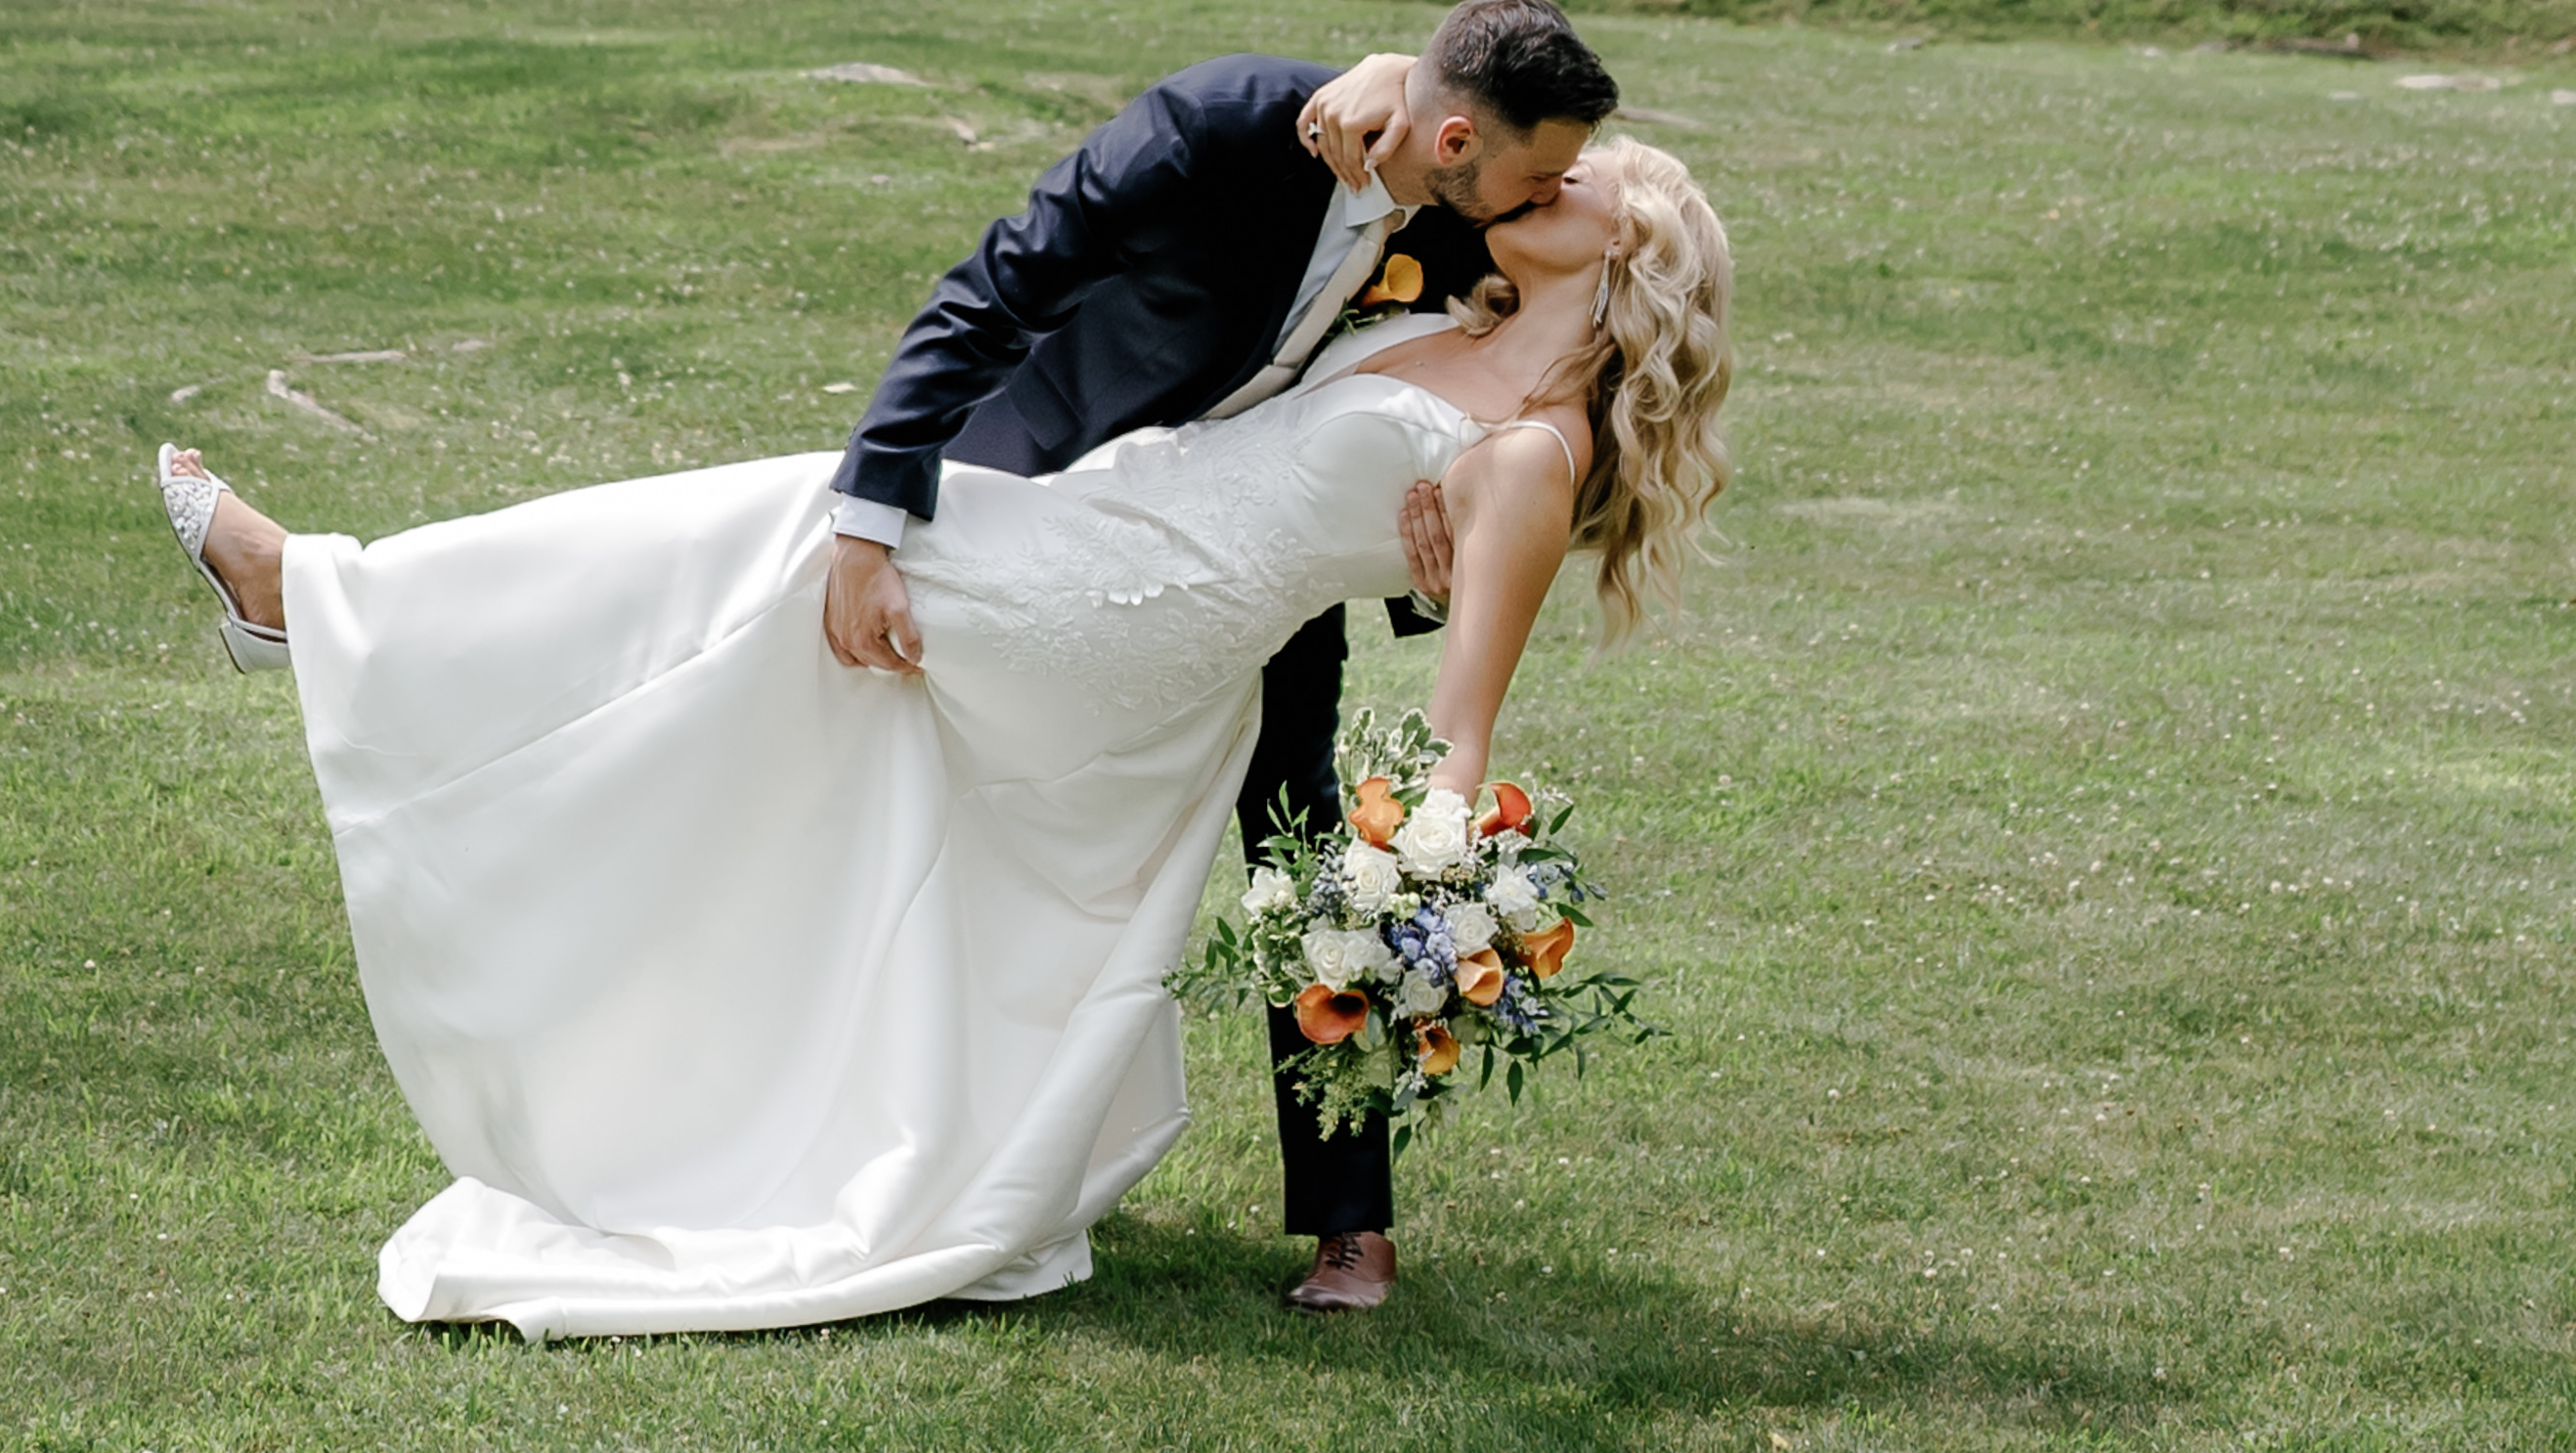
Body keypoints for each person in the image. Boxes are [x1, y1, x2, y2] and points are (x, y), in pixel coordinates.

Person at [155, 102, 1731, 1346]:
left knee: (792, 535)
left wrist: (1431, 856)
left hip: (1130, 610)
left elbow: (1458, 730)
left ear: (1638, 239)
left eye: (1590, 177)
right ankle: (813, 1120)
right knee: (813, 687)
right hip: (1112, 531)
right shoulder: (1431, 293)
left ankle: (328, 605)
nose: (1554, 178)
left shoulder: (1534, 448)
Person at [823, 0, 1620, 1310]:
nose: (1557, 193)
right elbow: (1005, 278)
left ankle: (1352, 1223)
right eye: (1540, 173)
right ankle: (926, 1133)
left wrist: (1427, 554)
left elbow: (1436, 420)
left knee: (1299, 836)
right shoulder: (1225, 129)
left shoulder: (1473, 207)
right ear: (1463, 135)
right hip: (1062, 499)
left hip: (1251, 580)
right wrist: (872, 518)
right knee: (994, 818)